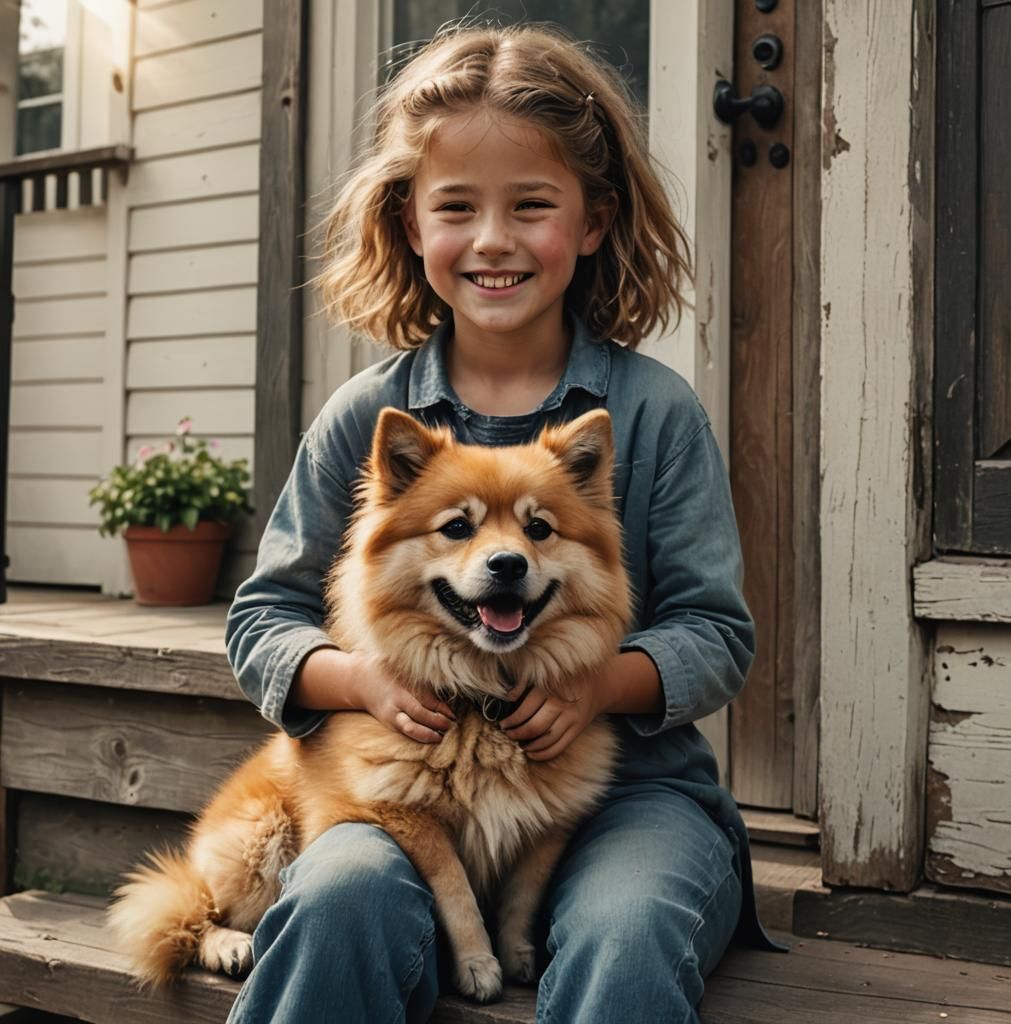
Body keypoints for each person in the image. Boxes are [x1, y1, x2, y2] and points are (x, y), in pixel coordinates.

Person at [225, 23, 775, 1024]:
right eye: (456, 207)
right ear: (407, 222)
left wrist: (599, 684)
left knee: (626, 938)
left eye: (530, 205)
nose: (492, 240)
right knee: (336, 903)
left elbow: (715, 630)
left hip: (626, 792)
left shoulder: (651, 412)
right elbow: (263, 618)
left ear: (594, 220)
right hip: (409, 793)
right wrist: (359, 679)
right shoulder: (366, 415)